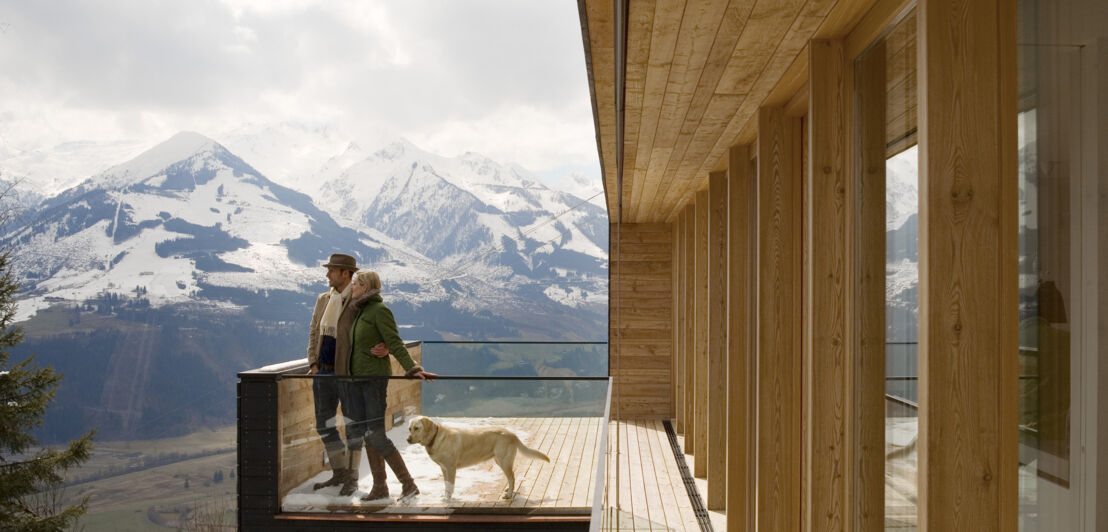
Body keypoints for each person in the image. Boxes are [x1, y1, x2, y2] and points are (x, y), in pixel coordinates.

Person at [343, 269, 436, 502]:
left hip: (374, 382)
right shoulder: (362, 311)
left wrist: (413, 369)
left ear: (365, 286)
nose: (351, 287)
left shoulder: (379, 311)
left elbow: (394, 341)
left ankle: (408, 484)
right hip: (359, 381)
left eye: (355, 283)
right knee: (369, 435)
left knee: (376, 435)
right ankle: (380, 487)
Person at [306, 253, 389, 496]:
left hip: (348, 373)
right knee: (324, 424)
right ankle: (340, 472)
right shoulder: (323, 299)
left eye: (332, 270)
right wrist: (313, 362)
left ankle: (351, 478)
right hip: (323, 372)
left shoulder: (358, 301)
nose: (327, 274)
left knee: (353, 426)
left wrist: (384, 346)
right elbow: (313, 331)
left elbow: (376, 328)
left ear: (346, 273)